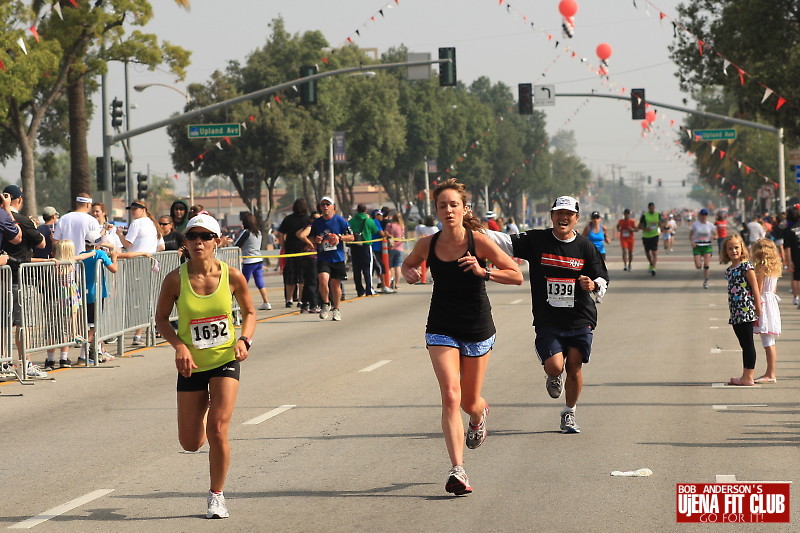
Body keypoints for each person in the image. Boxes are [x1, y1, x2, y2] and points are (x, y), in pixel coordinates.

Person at [401, 178, 522, 496]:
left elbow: (516, 274)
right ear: (437, 211)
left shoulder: (478, 241)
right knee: (451, 396)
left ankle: (479, 414)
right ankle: (458, 470)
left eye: (454, 204)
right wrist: (410, 273)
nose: (448, 210)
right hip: (441, 326)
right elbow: (409, 264)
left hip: (477, 327)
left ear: (464, 208)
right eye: (443, 205)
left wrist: (485, 272)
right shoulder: (428, 243)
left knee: (469, 401)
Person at [154, 214, 256, 520]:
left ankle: (216, 496)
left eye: (205, 236)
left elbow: (250, 312)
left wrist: (244, 341)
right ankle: (208, 405)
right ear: (185, 243)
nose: (199, 242)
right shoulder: (175, 279)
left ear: (218, 241)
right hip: (192, 365)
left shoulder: (233, 276)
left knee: (218, 429)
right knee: (190, 442)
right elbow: (161, 319)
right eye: (192, 236)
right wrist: (180, 346)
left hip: (225, 359)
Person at [496, 195, 609, 434]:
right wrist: (474, 230)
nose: (563, 218)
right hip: (548, 318)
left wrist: (593, 284)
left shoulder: (586, 247)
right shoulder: (537, 239)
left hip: (580, 317)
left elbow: (602, 277)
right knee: (556, 366)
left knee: (575, 365)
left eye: (569, 214)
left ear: (576, 218)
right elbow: (505, 242)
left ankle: (569, 413)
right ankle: (553, 375)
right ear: (552, 216)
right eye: (559, 213)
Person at [2, 185, 48, 378]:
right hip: (20, 277)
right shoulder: (22, 220)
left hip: (3, 277)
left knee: (4, 323)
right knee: (22, 324)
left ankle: (4, 362)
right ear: (19, 200)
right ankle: (25, 362)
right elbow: (42, 243)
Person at [117, 200, 164, 345]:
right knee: (145, 298)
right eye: (131, 209)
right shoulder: (152, 223)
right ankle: (141, 332)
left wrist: (119, 234)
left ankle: (136, 332)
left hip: (136, 264)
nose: (133, 212)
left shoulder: (137, 223)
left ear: (143, 209)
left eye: (135, 209)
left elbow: (127, 244)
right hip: (150, 263)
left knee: (134, 299)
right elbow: (161, 246)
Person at [720, 234, 761, 386]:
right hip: (736, 312)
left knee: (748, 344)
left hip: (746, 310)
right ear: (725, 251)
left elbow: (755, 287)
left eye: (736, 247)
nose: (733, 251)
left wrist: (758, 307)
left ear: (742, 248)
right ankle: (745, 375)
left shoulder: (746, 266)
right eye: (730, 248)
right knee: (743, 344)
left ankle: (748, 377)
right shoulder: (730, 269)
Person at [78, 230, 120, 365]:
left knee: (91, 323)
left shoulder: (81, 255)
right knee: (94, 325)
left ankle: (98, 351)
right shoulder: (100, 253)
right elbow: (114, 269)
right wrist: (114, 258)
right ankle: (83, 355)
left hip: (84, 292)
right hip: (96, 293)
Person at [310, 196, 354, 321]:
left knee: (335, 285)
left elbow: (352, 237)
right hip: (323, 257)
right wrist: (316, 240)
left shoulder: (340, 221)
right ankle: (325, 303)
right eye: (323, 204)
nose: (325, 207)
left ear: (333, 207)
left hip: (338, 257)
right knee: (323, 280)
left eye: (327, 204)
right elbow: (311, 238)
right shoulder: (317, 222)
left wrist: (339, 237)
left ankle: (336, 309)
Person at [276, 198, 317, 312]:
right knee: (302, 277)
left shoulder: (288, 219)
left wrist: (283, 246)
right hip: (304, 250)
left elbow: (280, 233)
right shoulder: (308, 220)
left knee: (290, 276)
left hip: (290, 250)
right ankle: (300, 300)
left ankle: (289, 299)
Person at [751, 239, 782, 384]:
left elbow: (759, 288)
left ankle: (771, 373)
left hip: (764, 302)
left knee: (767, 341)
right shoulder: (774, 268)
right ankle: (770, 372)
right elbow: (772, 290)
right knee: (770, 340)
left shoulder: (761, 268)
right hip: (772, 302)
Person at [234, 213, 272, 310]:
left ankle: (244, 305)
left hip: (249, 261)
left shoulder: (246, 232)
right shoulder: (258, 232)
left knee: (243, 284)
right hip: (258, 260)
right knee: (260, 283)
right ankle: (266, 302)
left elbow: (237, 244)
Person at [347, 203, 381, 297]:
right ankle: (369, 289)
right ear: (365, 210)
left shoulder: (352, 221)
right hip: (366, 246)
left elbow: (348, 230)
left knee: (356, 269)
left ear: (357, 210)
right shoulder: (369, 221)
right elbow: (375, 230)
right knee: (367, 268)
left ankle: (359, 290)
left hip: (354, 246)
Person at [690, 208, 717, 289]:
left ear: (707, 216)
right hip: (697, 246)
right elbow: (691, 235)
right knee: (698, 266)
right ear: (699, 216)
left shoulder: (710, 225)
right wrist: (692, 242)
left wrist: (714, 237)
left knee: (706, 265)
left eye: (705, 215)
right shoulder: (695, 225)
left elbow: (716, 235)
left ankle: (705, 280)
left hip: (707, 246)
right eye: (702, 215)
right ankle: (700, 260)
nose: (704, 216)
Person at [781, 206, 800, 307]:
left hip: (795, 256)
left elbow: (787, 247)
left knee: (795, 277)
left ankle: (796, 297)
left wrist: (789, 261)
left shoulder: (788, 230)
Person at [638, 202, 662, 276]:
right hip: (646, 236)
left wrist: (663, 229)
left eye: (653, 208)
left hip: (654, 235)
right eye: (651, 208)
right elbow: (639, 227)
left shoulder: (657, 215)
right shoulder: (644, 216)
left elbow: (660, 223)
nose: (652, 209)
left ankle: (653, 268)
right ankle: (651, 263)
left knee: (654, 252)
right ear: (648, 208)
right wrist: (646, 228)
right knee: (647, 252)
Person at [384, 212, 405, 291]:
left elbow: (386, 233)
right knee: (398, 266)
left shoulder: (390, 225)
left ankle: (390, 281)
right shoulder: (401, 226)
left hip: (391, 247)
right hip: (400, 247)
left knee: (390, 266)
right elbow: (403, 236)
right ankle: (397, 283)